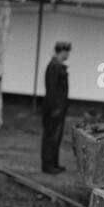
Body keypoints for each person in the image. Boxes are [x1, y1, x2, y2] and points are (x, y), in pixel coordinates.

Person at [41, 42, 71, 173]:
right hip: (54, 108)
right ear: (62, 51)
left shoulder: (58, 66)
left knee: (56, 136)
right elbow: (51, 89)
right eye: (67, 51)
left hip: (59, 107)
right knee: (51, 136)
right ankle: (48, 165)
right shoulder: (54, 66)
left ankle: (54, 163)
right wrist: (55, 108)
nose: (68, 54)